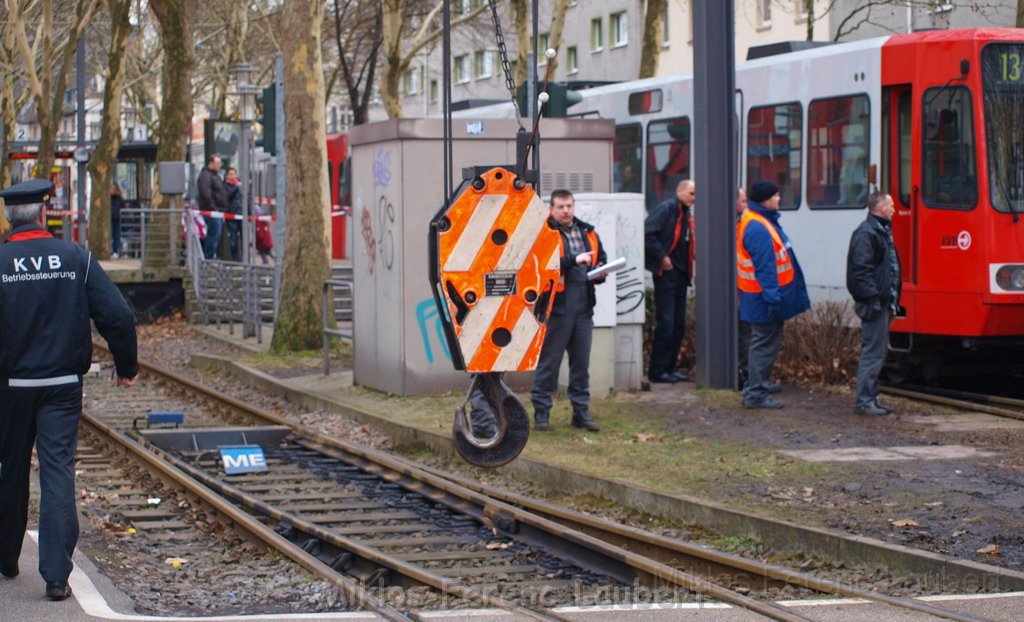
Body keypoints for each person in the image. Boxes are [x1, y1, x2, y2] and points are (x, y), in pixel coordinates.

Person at [0, 179, 138, 601]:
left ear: (9, 217)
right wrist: (126, 365)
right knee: (58, 472)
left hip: (11, 386)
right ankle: (57, 576)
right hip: (62, 385)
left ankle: (7, 557)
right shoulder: (75, 257)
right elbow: (118, 314)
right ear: (44, 213)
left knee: (10, 467)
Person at [531, 189, 607, 432]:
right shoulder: (547, 233)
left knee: (581, 364)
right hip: (558, 309)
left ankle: (581, 413)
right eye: (560, 207)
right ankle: (541, 415)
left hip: (584, 307)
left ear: (574, 207)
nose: (565, 211)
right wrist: (574, 260)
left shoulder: (589, 232)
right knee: (549, 364)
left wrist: (601, 271)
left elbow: (600, 258)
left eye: (569, 206)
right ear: (551, 209)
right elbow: (543, 266)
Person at [737, 180, 810, 409]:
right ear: (766, 200)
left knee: (762, 344)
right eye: (776, 196)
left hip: (758, 297)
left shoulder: (757, 222)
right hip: (763, 299)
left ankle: (755, 389)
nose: (779, 199)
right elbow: (766, 267)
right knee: (763, 345)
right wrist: (773, 297)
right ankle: (756, 394)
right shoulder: (758, 227)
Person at [846, 192, 902, 416]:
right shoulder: (867, 233)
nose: (894, 210)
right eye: (891, 205)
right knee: (873, 352)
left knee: (877, 352)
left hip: (882, 302)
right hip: (875, 304)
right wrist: (874, 298)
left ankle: (870, 399)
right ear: (880, 208)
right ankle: (865, 401)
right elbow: (861, 271)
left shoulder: (877, 231)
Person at [645, 179, 696, 383]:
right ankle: (657, 371)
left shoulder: (685, 214)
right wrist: (662, 256)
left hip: (681, 275)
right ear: (680, 191)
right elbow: (648, 233)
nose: (694, 198)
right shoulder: (667, 209)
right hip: (666, 274)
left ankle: (670, 367)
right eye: (691, 193)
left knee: (678, 324)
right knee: (666, 323)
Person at [196, 154, 228, 260]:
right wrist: (214, 209)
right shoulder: (206, 176)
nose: (219, 166)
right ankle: (207, 259)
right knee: (213, 236)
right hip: (212, 212)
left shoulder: (214, 176)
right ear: (211, 163)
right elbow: (206, 194)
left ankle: (208, 258)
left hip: (216, 211)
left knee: (214, 235)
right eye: (217, 163)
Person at [224, 167, 243, 261]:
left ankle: (244, 259)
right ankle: (235, 260)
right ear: (227, 176)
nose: (233, 176)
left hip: (241, 215)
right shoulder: (225, 186)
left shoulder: (240, 186)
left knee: (244, 238)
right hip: (231, 216)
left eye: (234, 174)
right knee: (233, 239)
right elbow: (228, 195)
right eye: (230, 174)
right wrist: (236, 187)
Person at [110, 182, 124, 257]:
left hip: (117, 218)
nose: (112, 190)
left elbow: (122, 205)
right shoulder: (108, 197)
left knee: (116, 235)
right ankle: (111, 250)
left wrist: (120, 196)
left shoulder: (118, 198)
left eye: (114, 189)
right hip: (110, 219)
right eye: (111, 188)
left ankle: (115, 251)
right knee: (111, 235)